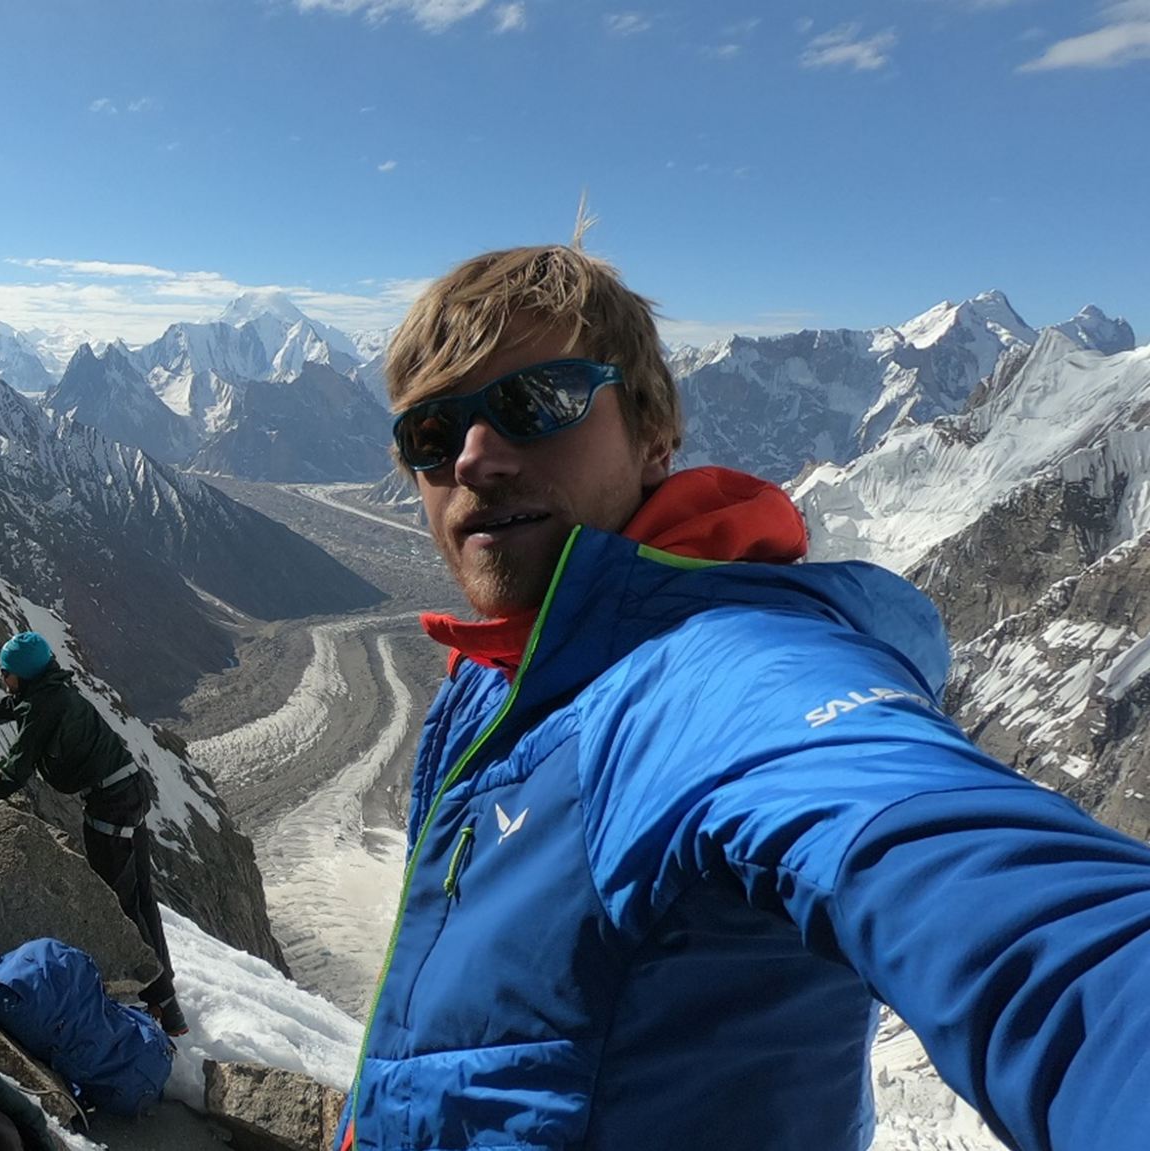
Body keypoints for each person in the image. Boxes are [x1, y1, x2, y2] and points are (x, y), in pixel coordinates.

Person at [345, 241, 1150, 1151]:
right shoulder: (497, 679)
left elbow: (1021, 914)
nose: (477, 457)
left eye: (537, 403)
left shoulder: (718, 675)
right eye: (431, 434)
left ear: (655, 432)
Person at [0, 631, 188, 1037]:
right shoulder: (48, 691)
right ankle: (165, 995)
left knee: (119, 904)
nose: (2, 679)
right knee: (140, 896)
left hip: (110, 805)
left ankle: (164, 1007)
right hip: (127, 789)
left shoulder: (44, 704)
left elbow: (18, 765)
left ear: (22, 674)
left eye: (6, 673)